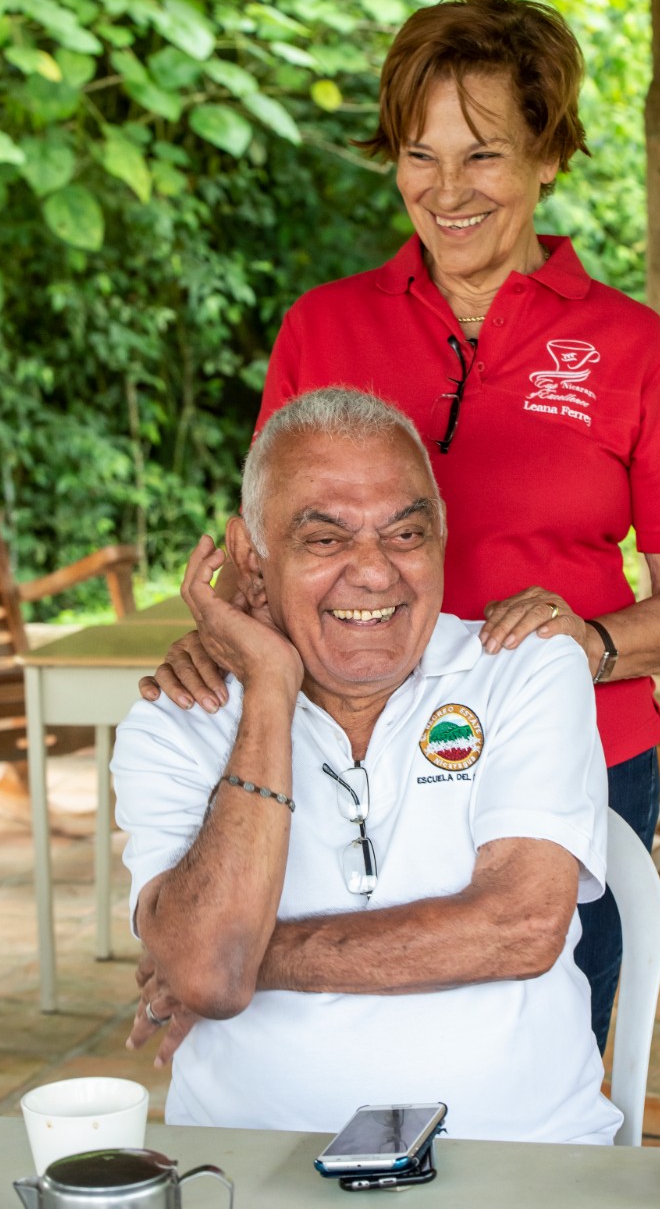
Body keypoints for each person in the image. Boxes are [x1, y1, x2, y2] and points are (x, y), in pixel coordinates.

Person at [141, 0, 660, 1051]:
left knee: (539, 1045)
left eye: (485, 153)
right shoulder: (322, 325)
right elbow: (263, 555)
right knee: (324, 1037)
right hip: (345, 757)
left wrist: (587, 642)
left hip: (574, 752)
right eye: (420, 154)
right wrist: (216, 636)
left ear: (549, 155)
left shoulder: (629, 346)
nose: (446, 189)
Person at [114, 387, 620, 1144]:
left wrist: (245, 957)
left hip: (515, 1158)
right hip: (251, 1159)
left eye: (406, 534)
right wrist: (269, 693)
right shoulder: (175, 719)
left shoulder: (526, 667)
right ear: (250, 557)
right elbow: (208, 973)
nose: (376, 573)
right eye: (324, 540)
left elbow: (517, 927)